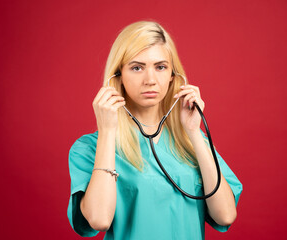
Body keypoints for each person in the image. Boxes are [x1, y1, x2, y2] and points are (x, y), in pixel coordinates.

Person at [67, 20, 243, 239]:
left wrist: (193, 132)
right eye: (137, 67)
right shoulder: (90, 148)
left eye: (160, 67)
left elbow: (225, 215)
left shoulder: (192, 141)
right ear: (118, 76)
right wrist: (108, 132)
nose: (150, 80)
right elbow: (99, 219)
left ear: (173, 76)